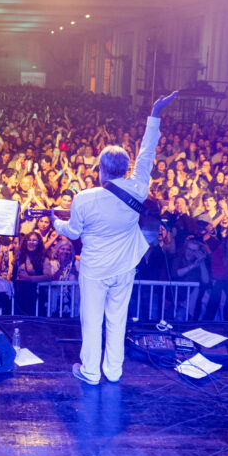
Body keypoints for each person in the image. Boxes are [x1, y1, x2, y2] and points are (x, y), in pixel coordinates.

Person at [50, 91, 176, 385]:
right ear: (125, 168)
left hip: (94, 270)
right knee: (117, 320)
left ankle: (91, 372)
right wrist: (155, 112)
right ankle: (114, 371)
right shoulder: (138, 187)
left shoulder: (84, 198)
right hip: (124, 268)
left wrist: (57, 223)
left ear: (102, 169)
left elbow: (74, 232)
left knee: (92, 321)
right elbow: (148, 153)